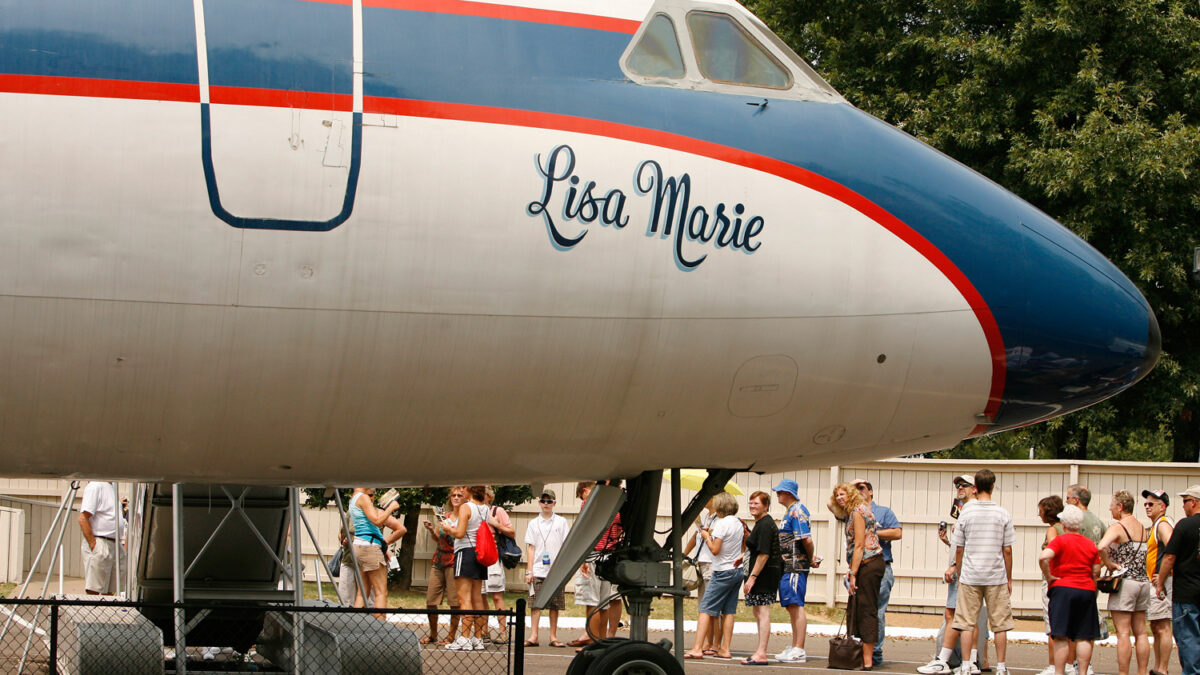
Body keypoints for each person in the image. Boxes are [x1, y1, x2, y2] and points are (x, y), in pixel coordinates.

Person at [919, 475, 989, 675]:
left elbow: (968, 546)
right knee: (969, 618)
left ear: (974, 488)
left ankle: (943, 661)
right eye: (957, 485)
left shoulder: (970, 510)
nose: (959, 488)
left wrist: (954, 566)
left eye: (964, 485)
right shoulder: (967, 511)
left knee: (953, 615)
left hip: (963, 570)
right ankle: (972, 661)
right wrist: (948, 543)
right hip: (967, 568)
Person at [948, 469, 1015, 675]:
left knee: (966, 622)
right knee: (1000, 623)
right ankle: (1002, 666)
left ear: (975, 487)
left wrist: (959, 571)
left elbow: (959, 547)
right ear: (993, 486)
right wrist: (1009, 577)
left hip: (970, 574)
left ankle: (967, 664)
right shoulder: (1002, 513)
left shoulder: (966, 512)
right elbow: (1007, 549)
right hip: (996, 575)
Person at [829, 480, 884, 670]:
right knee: (855, 608)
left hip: (868, 564)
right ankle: (858, 656)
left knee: (866, 610)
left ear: (852, 494)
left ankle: (867, 660)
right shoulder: (855, 510)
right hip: (864, 564)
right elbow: (830, 505)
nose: (839, 498)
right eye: (837, 495)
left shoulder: (858, 512)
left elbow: (859, 545)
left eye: (843, 494)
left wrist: (853, 573)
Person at [1040, 504, 1101, 675]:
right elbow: (1096, 570)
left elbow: (1044, 557)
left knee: (1060, 635)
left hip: (1062, 588)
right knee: (1084, 635)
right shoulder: (1090, 544)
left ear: (1064, 524)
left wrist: (1049, 575)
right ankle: (1082, 671)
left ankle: (1059, 672)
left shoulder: (1059, 541)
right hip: (1085, 589)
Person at [683, 491, 743, 660]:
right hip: (736, 570)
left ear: (720, 507)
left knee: (705, 609)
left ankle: (697, 647)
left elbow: (715, 550)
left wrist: (707, 536)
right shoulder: (738, 522)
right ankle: (725, 648)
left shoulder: (722, 524)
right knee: (729, 610)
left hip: (721, 570)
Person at [851, 476, 903, 666]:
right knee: (859, 611)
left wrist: (871, 532)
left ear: (871, 491)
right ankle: (861, 649)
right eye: (855, 488)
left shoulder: (883, 512)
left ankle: (876, 652)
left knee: (876, 611)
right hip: (858, 567)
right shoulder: (852, 511)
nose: (859, 491)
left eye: (862, 487)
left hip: (880, 567)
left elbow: (897, 532)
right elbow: (830, 504)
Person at [1097, 490, 1149, 675]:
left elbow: (1101, 547)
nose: (1110, 509)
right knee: (1141, 632)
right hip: (1143, 582)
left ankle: (1123, 673)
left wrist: (1110, 564)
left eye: (1112, 505)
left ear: (1120, 507)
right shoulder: (1142, 527)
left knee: (1123, 633)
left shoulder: (1118, 527)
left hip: (1125, 583)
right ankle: (1142, 671)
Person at [569, 480, 624, 649]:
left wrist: (583, 559)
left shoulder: (591, 502)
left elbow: (585, 530)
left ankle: (592, 643)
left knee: (591, 603)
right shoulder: (617, 505)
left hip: (593, 555)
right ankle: (602, 641)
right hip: (609, 556)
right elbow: (620, 530)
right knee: (604, 603)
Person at [1153, 484, 1200, 675]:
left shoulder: (1185, 525)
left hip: (1187, 591)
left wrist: (1160, 581)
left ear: (1194, 502)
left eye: (1185, 501)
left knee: (1189, 637)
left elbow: (1169, 557)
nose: (1183, 506)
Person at [774, 478, 818, 663]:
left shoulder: (798, 511)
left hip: (795, 566)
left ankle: (799, 648)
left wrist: (809, 557)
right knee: (791, 605)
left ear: (789, 493)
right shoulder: (789, 512)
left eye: (780, 491)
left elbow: (806, 539)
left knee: (796, 605)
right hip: (787, 566)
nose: (777, 494)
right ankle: (794, 646)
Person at [444, 484, 490, 651]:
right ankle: (478, 638)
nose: (461, 490)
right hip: (479, 553)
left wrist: (449, 528)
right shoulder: (485, 508)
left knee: (464, 598)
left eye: (464, 487)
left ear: (469, 490)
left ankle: (464, 637)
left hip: (465, 552)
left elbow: (460, 533)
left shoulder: (466, 507)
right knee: (477, 597)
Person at [742, 490, 783, 665]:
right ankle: (759, 651)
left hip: (765, 575)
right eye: (751, 503)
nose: (752, 506)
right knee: (758, 611)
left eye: (756, 503)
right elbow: (756, 548)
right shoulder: (760, 523)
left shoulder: (766, 524)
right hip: (759, 572)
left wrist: (752, 577)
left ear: (766, 506)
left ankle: (762, 653)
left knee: (763, 611)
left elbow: (764, 554)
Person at [524, 488, 570, 648]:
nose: (546, 504)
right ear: (539, 503)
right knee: (535, 603)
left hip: (555, 570)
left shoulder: (561, 522)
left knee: (554, 604)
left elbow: (566, 546)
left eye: (549, 501)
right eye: (543, 501)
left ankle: (553, 636)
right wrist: (529, 570)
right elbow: (531, 547)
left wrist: (563, 569)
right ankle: (534, 635)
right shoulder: (533, 523)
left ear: (554, 503)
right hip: (538, 568)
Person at [349, 487, 401, 618]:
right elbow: (377, 521)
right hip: (370, 546)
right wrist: (391, 508)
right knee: (381, 592)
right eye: (372, 493)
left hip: (359, 545)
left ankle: (356, 626)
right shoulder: (363, 497)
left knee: (362, 591)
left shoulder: (354, 498)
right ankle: (380, 629)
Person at [422, 487, 463, 645]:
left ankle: (451, 636)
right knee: (431, 600)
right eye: (453, 495)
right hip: (438, 559)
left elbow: (460, 537)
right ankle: (433, 634)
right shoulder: (444, 516)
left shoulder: (464, 517)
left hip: (454, 560)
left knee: (454, 602)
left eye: (459, 495)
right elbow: (439, 539)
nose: (456, 498)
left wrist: (450, 529)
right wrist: (432, 530)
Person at [683, 495, 722, 656]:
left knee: (712, 606)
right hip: (701, 563)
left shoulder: (720, 519)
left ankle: (716, 643)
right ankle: (708, 640)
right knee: (704, 605)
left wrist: (705, 532)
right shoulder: (707, 517)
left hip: (711, 564)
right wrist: (683, 554)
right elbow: (696, 536)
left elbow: (712, 539)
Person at [1142, 489, 1173, 675]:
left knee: (1162, 627)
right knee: (1156, 626)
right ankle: (1158, 666)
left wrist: (1163, 576)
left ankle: (1163, 669)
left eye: (1151, 503)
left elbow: (1173, 548)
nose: (1147, 506)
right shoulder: (1155, 525)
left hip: (1162, 582)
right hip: (1156, 581)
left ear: (1162, 507)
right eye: (1146, 503)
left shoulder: (1162, 525)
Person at [480, 486, 516, 643]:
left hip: (493, 558)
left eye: (483, 494)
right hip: (478, 557)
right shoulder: (472, 511)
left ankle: (503, 632)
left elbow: (512, 532)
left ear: (489, 496)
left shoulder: (497, 511)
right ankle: (484, 631)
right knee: (481, 596)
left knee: (496, 595)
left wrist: (496, 524)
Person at [78, 481, 125, 595]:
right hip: (101, 541)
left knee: (112, 588)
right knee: (95, 587)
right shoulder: (96, 485)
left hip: (115, 542)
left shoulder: (113, 487)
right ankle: (92, 611)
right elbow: (83, 518)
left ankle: (106, 611)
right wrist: (94, 545)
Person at [1036, 495, 1066, 675]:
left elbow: (1051, 554)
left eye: (1040, 511)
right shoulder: (1068, 528)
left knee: (1052, 624)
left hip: (1054, 579)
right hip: (1069, 580)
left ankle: (1053, 665)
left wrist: (1049, 576)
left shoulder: (1053, 530)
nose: (1039, 515)